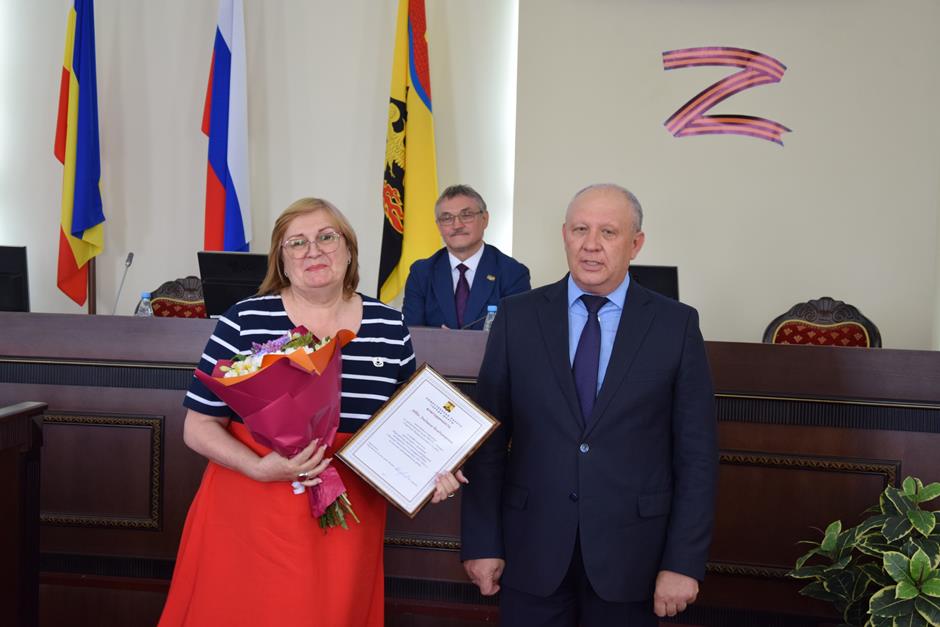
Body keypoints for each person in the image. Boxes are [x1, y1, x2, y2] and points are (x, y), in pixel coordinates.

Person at [159, 198, 465, 627]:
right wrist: (258, 467)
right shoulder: (244, 319)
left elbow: (404, 426)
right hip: (250, 506)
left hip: (347, 512)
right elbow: (198, 426)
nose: (313, 250)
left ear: (349, 249)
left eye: (326, 237)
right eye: (297, 243)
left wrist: (430, 472)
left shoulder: (389, 326)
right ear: (281, 260)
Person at [460, 184, 717, 626]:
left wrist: (683, 562)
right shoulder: (517, 317)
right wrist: (482, 542)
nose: (591, 244)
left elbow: (697, 456)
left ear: (636, 243)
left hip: (634, 559)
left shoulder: (675, 325)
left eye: (608, 232)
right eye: (580, 229)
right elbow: (488, 441)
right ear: (565, 234)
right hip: (531, 552)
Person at [403, 184, 531, 330]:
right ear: (438, 226)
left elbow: (518, 334)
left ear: (485, 219)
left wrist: (461, 341)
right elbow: (410, 333)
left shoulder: (513, 273)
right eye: (447, 218)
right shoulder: (421, 273)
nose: (457, 225)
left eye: (466, 215)